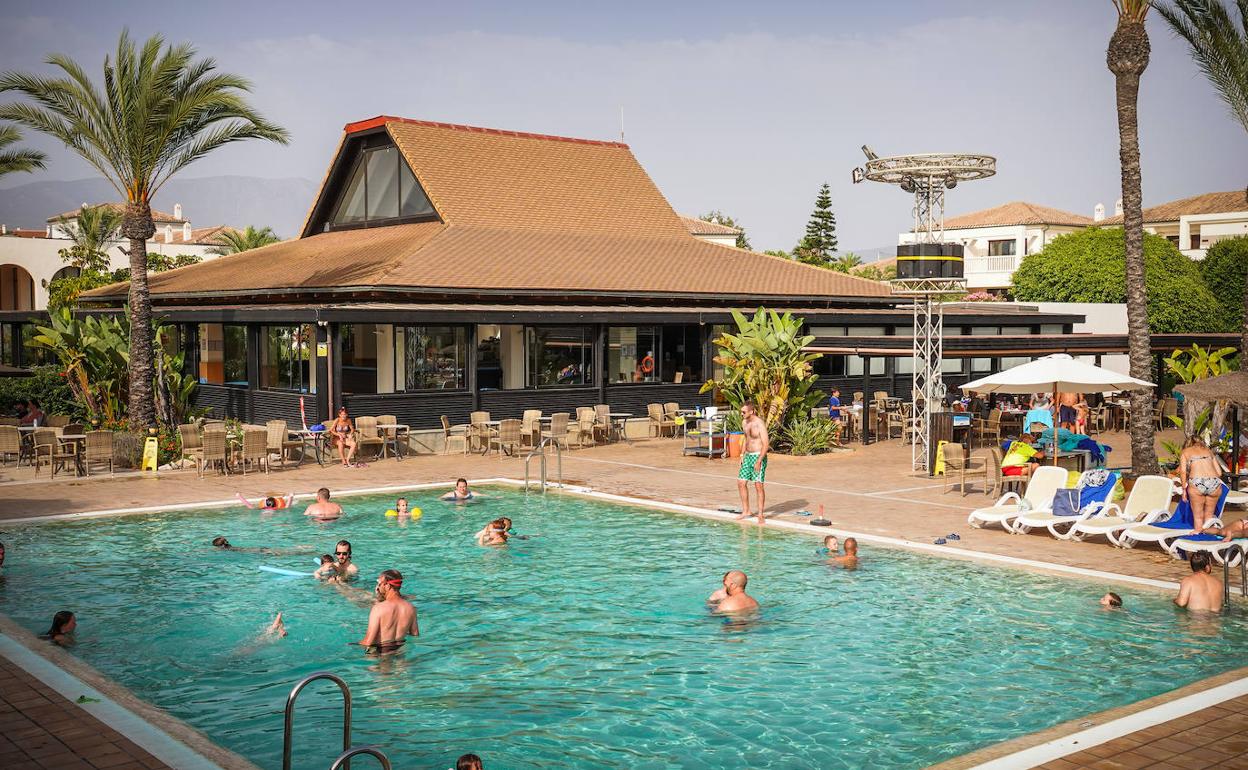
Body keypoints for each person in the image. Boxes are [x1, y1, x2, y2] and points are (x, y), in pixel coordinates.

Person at [358, 569, 419, 653]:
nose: (378, 587)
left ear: (387, 586)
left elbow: (369, 641)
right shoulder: (411, 608)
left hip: (380, 652)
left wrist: (352, 646)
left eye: (379, 583)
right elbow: (415, 635)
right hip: (400, 650)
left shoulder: (378, 608)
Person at [1179, 436, 1224, 533]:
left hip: (1197, 481)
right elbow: (1219, 473)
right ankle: (1207, 534)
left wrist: (1183, 490)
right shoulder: (1208, 451)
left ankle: (1198, 532)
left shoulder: (1186, 452)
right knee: (1209, 515)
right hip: (1214, 482)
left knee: (1198, 516)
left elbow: (1182, 472)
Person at [735, 402, 770, 525]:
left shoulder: (759, 424)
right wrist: (741, 455)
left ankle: (760, 514)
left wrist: (759, 460)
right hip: (748, 456)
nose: (741, 414)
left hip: (758, 456)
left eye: (743, 412)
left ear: (752, 411)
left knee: (758, 485)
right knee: (741, 482)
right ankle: (746, 511)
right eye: (741, 411)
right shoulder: (744, 422)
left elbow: (766, 444)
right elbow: (746, 439)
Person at [210, 537, 313, 557]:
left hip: (258, 552)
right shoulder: (231, 547)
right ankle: (299, 549)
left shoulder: (228, 550)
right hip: (258, 549)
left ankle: (301, 550)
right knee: (283, 552)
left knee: (284, 553)